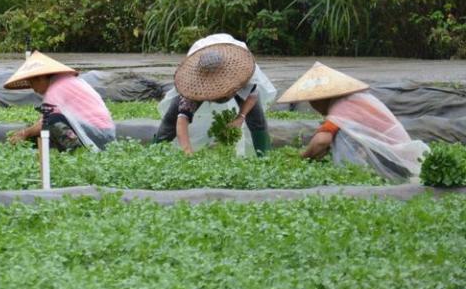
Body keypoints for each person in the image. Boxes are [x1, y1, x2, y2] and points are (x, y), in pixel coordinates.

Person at [276, 62, 428, 181]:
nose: (312, 106)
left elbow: (321, 141)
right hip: (398, 157)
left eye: (312, 101)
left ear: (321, 98)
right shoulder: (354, 100)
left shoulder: (341, 107)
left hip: (396, 161)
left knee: (341, 134)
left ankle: (350, 174)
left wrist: (302, 158)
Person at [153, 33, 275, 155]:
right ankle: (153, 152)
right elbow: (182, 120)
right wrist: (187, 152)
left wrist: (240, 117)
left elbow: (252, 95)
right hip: (200, 62)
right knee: (171, 117)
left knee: (257, 118)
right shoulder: (194, 85)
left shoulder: (241, 73)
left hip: (231, 54)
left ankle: (265, 156)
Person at [5, 51, 116, 152]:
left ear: (40, 78)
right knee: (41, 124)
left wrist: (24, 133)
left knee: (50, 121)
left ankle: (77, 152)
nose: (33, 89)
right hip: (104, 133)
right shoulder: (66, 81)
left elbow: (45, 122)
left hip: (99, 135)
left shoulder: (55, 90)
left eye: (32, 83)